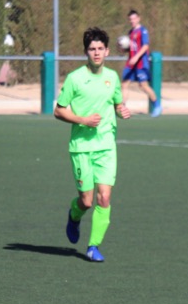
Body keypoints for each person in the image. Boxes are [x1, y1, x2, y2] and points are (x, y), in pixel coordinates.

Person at [54, 27, 131, 263]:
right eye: (91, 49)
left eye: (100, 49)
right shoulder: (76, 78)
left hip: (106, 146)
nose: (96, 53)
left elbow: (117, 104)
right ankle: (74, 215)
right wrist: (82, 120)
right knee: (86, 201)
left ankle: (93, 246)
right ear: (86, 52)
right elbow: (58, 110)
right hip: (81, 147)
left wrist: (122, 110)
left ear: (107, 51)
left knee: (104, 198)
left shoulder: (113, 78)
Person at [122, 10, 161, 117]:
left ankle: (157, 105)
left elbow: (145, 46)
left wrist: (136, 57)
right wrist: (123, 49)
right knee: (124, 84)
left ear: (138, 18)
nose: (132, 21)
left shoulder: (142, 31)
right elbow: (131, 47)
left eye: (134, 18)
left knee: (143, 85)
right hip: (131, 63)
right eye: (130, 19)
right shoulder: (130, 32)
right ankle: (122, 107)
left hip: (140, 63)